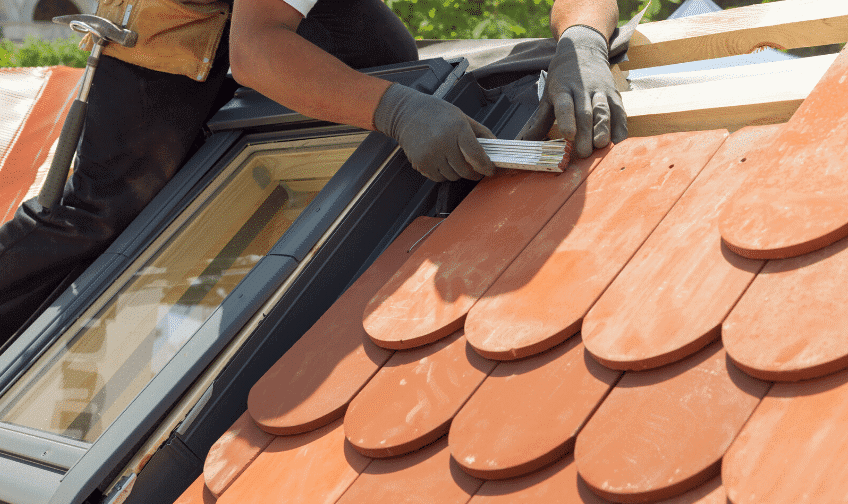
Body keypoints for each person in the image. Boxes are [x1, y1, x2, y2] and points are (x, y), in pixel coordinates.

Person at [0, 0, 627, 347]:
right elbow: (255, 47)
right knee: (103, 209)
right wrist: (399, 110)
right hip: (180, 18)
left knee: (387, 56)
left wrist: (583, 39)